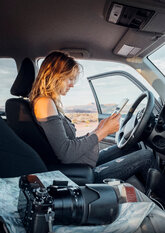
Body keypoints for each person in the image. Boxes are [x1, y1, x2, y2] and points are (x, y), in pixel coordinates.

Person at [29, 51, 157, 187]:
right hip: (76, 174)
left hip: (77, 165)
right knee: (146, 156)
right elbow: (66, 153)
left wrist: (99, 128)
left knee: (132, 147)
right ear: (55, 76)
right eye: (69, 78)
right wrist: (103, 132)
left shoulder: (47, 102)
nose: (72, 84)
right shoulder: (45, 103)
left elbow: (67, 142)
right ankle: (159, 202)